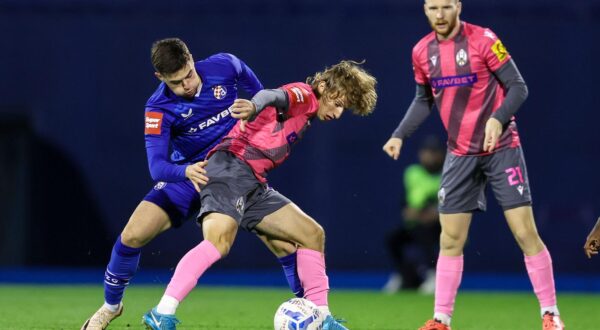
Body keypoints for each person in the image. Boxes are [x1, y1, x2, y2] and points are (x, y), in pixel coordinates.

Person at [81, 38, 304, 330]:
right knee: (132, 235)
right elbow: (157, 167)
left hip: (234, 171)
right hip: (189, 176)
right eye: (176, 82)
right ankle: (111, 307)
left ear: (191, 57)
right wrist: (186, 172)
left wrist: (259, 120)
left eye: (188, 74)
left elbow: (262, 96)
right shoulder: (158, 107)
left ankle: (311, 308)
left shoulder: (226, 65)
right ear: (159, 77)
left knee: (284, 244)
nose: (186, 85)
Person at [141, 60, 377, 330]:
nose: (337, 113)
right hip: (229, 168)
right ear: (323, 86)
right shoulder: (306, 95)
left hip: (253, 182)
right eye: (337, 103)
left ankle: (322, 318)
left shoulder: (308, 113)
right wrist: (254, 104)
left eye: (343, 108)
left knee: (312, 234)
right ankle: (163, 311)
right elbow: (274, 95)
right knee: (218, 241)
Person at [382, 1, 565, 329]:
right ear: (425, 10)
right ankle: (441, 320)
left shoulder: (483, 39)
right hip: (460, 154)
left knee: (525, 232)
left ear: (458, 6)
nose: (439, 15)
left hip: (502, 149)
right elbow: (423, 99)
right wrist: (399, 135)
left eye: (446, 6)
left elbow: (518, 87)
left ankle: (550, 314)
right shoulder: (422, 52)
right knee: (450, 240)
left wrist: (498, 117)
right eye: (432, 8)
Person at [383, 136, 444, 294]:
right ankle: (404, 275)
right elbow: (407, 202)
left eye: (433, 152)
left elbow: (448, 204)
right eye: (426, 152)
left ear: (440, 155)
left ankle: (433, 276)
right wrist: (410, 212)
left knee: (425, 233)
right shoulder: (413, 172)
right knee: (393, 238)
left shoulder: (447, 173)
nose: (429, 156)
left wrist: (434, 214)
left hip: (441, 226)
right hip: (416, 222)